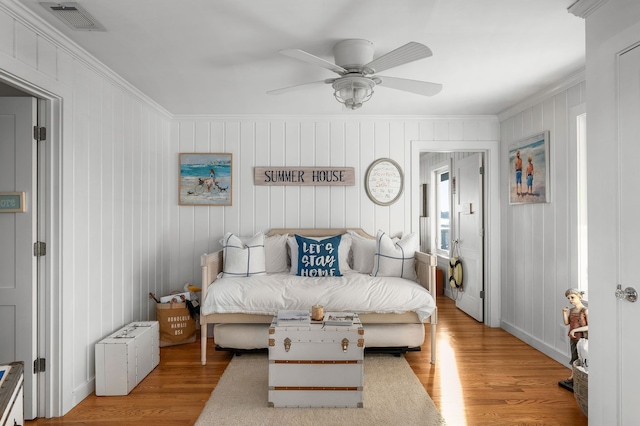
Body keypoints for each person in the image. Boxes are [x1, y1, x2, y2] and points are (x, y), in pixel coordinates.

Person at [558, 288, 588, 392]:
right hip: (573, 338)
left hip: (582, 338)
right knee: (574, 356)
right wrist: (564, 313)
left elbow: (589, 326)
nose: (570, 300)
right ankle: (573, 375)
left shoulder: (585, 311)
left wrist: (576, 330)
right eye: (569, 298)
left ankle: (580, 376)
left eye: (572, 297)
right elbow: (567, 323)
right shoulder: (572, 310)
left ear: (579, 297)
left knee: (582, 357)